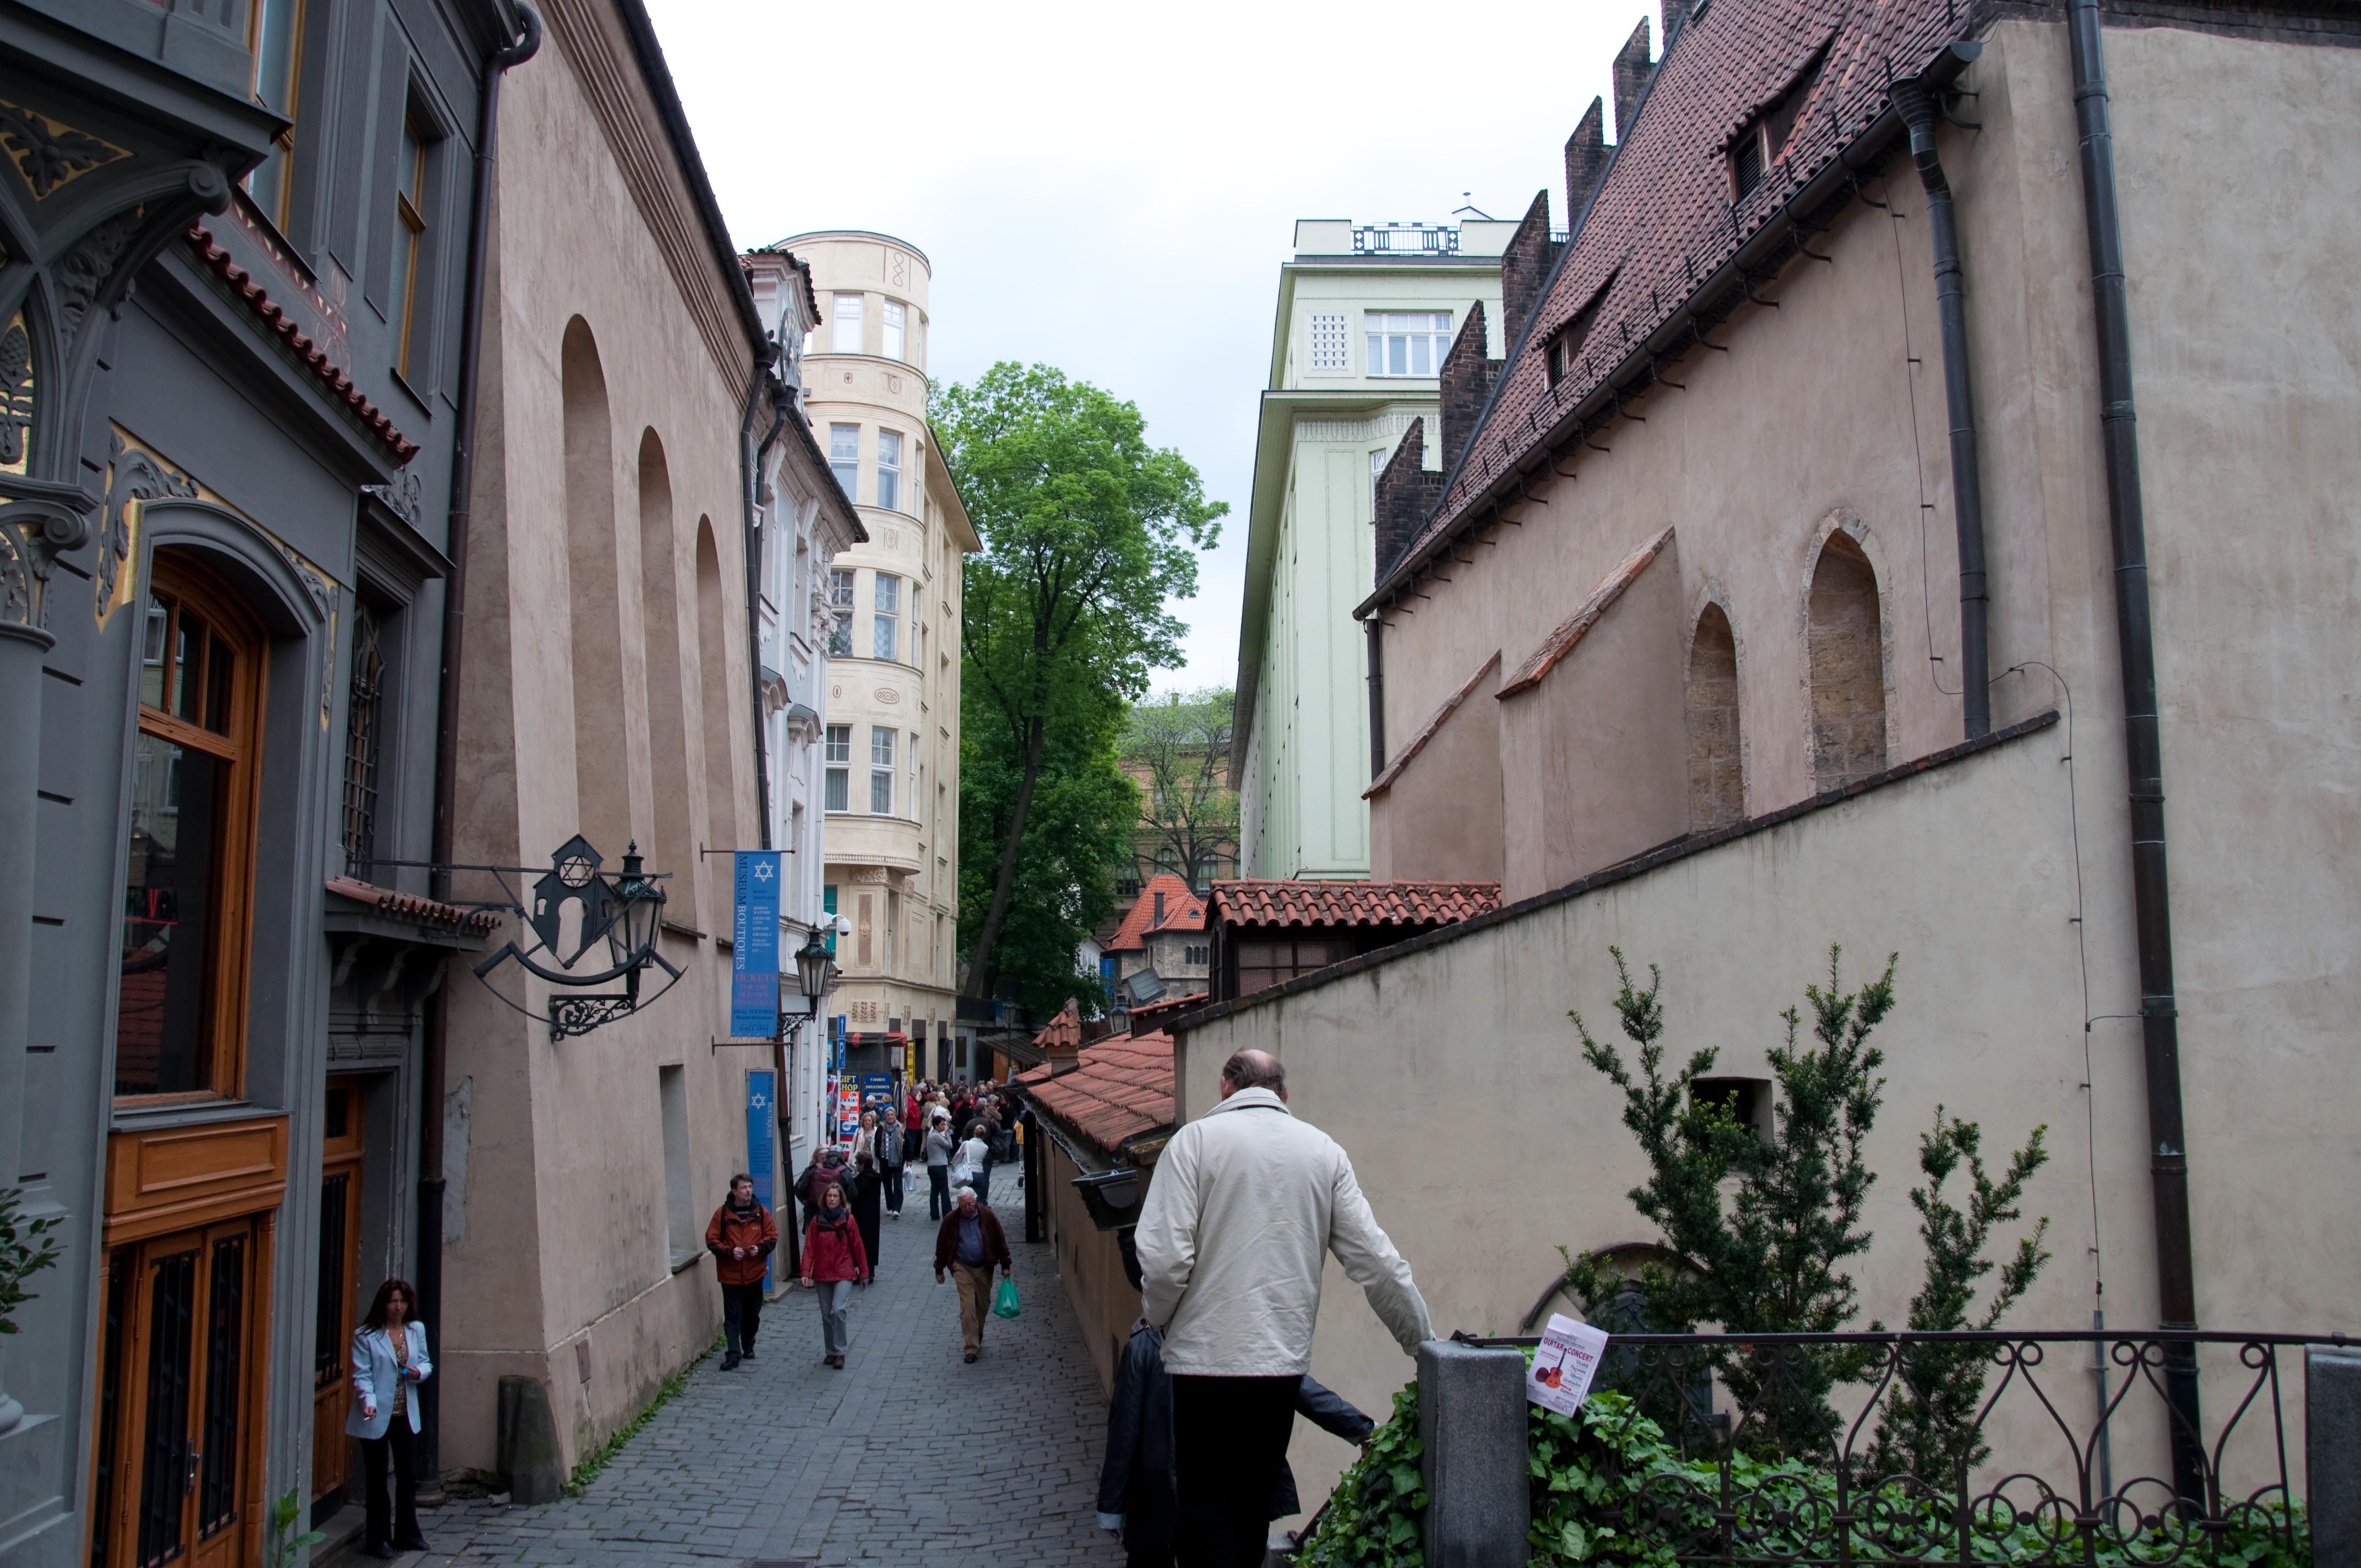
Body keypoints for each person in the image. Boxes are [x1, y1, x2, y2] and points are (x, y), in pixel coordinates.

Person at [1134, 1049, 1431, 1568]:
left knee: (1204, 1512)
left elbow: (1163, 1262)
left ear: (1225, 1087)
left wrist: (1159, 1319)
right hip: (1278, 1367)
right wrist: (1422, 1343)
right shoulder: (1323, 1152)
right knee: (1253, 1509)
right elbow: (1378, 1264)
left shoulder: (1193, 1144)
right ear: (1283, 1094)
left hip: (1202, 1365)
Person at [1097, 1314, 1374, 1567]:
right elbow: (1125, 1429)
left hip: (1192, 1500)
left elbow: (1124, 1433)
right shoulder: (1149, 1348)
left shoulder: (1153, 1346)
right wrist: (1364, 1428)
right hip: (1175, 1503)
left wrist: (1113, 1508)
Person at [346, 1278, 433, 1559]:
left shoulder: (415, 1329)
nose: (398, 1307)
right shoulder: (366, 1336)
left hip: (405, 1412)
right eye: (393, 1302)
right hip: (376, 1415)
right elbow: (362, 1376)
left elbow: (426, 1363)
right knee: (377, 1479)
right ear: (383, 1305)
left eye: (403, 1302)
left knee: (408, 1475)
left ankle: (408, 1534)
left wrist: (417, 1373)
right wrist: (368, 1404)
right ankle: (378, 1539)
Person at [705, 1173, 777, 1370]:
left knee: (752, 1314)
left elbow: (772, 1236)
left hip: (755, 1273)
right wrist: (730, 1252)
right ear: (734, 1191)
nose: (748, 1191)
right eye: (744, 1188)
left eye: (750, 1187)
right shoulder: (722, 1214)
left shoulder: (761, 1212)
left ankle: (748, 1343)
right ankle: (733, 1354)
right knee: (733, 1315)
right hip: (731, 1275)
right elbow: (711, 1240)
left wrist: (759, 1249)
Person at [931, 1185, 1011, 1363]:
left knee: (982, 1306)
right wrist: (940, 1269)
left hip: (984, 1267)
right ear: (959, 1204)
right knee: (967, 1307)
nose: (968, 1208)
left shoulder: (987, 1216)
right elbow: (942, 1245)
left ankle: (978, 1331)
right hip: (962, 1267)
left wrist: (1006, 1264)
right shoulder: (951, 1220)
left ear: (975, 1201)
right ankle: (971, 1348)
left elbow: (1000, 1240)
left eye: (971, 1204)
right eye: (964, 1205)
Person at [799, 1179, 871, 1368]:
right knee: (826, 1314)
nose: (832, 1199)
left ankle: (840, 1351)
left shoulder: (848, 1220)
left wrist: (864, 1272)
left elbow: (858, 1247)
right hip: (822, 1272)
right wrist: (806, 1272)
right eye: (829, 1196)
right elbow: (809, 1248)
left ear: (841, 1200)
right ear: (825, 1199)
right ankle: (830, 1351)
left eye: (835, 1196)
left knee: (838, 1310)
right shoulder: (817, 1221)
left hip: (844, 1271)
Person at [849, 1108, 885, 1270]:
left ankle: (863, 1270)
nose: (867, 1123)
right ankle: (869, 1270)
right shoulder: (875, 1179)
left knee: (862, 1241)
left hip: (862, 1217)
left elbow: (854, 1195)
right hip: (873, 1217)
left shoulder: (862, 1180)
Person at [924, 1110, 958, 1220]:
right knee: (944, 1191)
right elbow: (949, 1145)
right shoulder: (936, 1136)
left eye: (945, 1124)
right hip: (939, 1166)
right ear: (936, 1126)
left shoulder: (931, 1135)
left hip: (932, 1166)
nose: (944, 1126)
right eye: (942, 1124)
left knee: (934, 1190)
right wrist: (947, 1134)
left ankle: (934, 1213)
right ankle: (947, 1214)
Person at [949, 1119, 992, 1205]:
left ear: (974, 1133)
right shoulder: (985, 1147)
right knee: (979, 1199)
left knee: (966, 1198)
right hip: (979, 1173)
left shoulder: (967, 1144)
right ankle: (979, 1215)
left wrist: (954, 1166)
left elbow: (957, 1156)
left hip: (968, 1173)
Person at [878, 1103, 909, 1218]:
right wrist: (879, 1155)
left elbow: (907, 1144)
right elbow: (877, 1142)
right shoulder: (881, 1128)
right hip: (884, 1160)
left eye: (892, 1115)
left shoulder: (901, 1128)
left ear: (895, 1116)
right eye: (888, 1115)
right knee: (887, 1185)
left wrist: (908, 1159)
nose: (890, 1117)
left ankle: (897, 1209)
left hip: (898, 1161)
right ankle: (890, 1207)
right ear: (885, 1116)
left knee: (898, 1185)